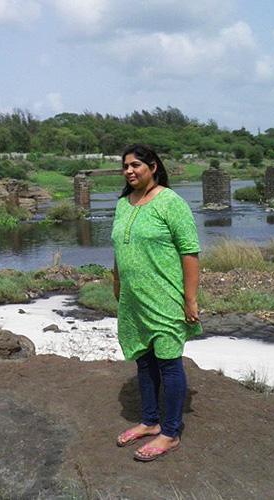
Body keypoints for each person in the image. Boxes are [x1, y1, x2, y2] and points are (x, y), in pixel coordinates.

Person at [111, 143, 201, 462]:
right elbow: (119, 250)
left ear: (153, 167)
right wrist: (117, 283)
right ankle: (150, 421)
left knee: (169, 362)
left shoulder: (170, 202)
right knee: (144, 359)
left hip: (164, 296)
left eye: (136, 165)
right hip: (133, 300)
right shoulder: (124, 203)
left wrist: (190, 300)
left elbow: (190, 252)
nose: (129, 171)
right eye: (125, 166)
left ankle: (170, 432)